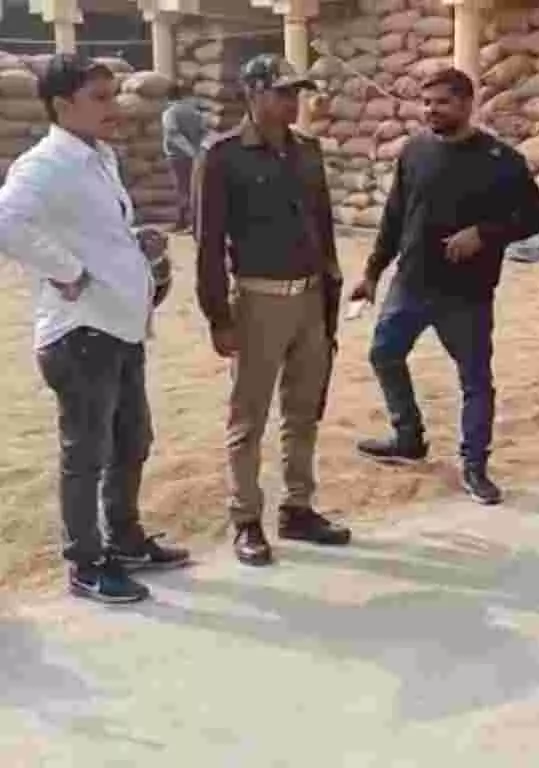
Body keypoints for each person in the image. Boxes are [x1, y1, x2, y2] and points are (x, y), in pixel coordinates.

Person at [0, 54, 188, 603]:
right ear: (63, 106)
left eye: (113, 95)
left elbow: (93, 229)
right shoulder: (45, 164)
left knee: (132, 439)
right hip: (81, 336)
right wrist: (67, 270)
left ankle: (124, 539)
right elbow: (6, 222)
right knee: (86, 454)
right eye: (99, 99)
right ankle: (85, 564)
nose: (114, 108)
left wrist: (135, 242)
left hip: (118, 328)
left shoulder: (98, 156)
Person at [350, 69, 539, 504]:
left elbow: (537, 217)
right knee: (384, 354)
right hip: (411, 282)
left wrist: (484, 234)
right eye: (426, 102)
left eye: (441, 102)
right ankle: (408, 437)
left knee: (474, 380)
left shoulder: (500, 160)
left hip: (467, 294)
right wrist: (372, 272)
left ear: (466, 103)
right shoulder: (415, 151)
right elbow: (394, 216)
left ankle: (475, 467)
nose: (430, 110)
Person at [194, 54, 350, 567]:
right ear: (253, 94)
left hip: (309, 297)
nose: (292, 103)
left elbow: (322, 228)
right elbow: (208, 244)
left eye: (296, 93)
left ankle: (298, 507)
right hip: (258, 299)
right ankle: (246, 518)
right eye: (282, 93)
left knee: (303, 411)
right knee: (249, 416)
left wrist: (329, 295)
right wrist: (218, 316)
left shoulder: (307, 151)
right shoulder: (222, 156)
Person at [160, 83, 204, 232]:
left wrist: (189, 150)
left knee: (181, 189)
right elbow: (203, 132)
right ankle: (191, 221)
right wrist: (198, 152)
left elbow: (172, 133)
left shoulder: (170, 113)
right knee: (193, 188)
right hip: (196, 156)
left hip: (178, 156)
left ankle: (184, 221)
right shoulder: (195, 112)